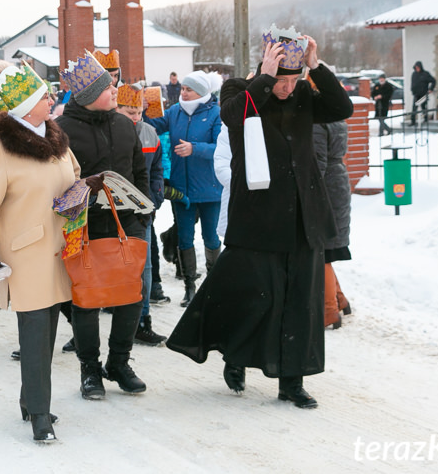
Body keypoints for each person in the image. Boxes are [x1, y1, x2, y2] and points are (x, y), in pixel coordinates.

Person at [166, 25, 353, 408]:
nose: (288, 87)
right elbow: (234, 116)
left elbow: (341, 108)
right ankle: (236, 358)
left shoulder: (303, 93)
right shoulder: (240, 90)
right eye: (283, 80)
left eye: (294, 79)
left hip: (302, 218)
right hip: (257, 220)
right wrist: (266, 80)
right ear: (267, 68)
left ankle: (292, 382)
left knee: (301, 303)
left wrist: (315, 68)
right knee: (252, 298)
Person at [0, 63, 80, 442]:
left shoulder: (55, 135)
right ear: (28, 106)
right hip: (25, 255)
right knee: (33, 336)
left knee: (47, 333)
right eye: (45, 96)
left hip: (61, 249)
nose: (52, 99)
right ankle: (40, 416)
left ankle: (29, 399)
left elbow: (73, 174)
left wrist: (84, 190)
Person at [56, 51, 150, 400]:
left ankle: (119, 363)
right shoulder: (62, 131)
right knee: (87, 299)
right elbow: (56, 184)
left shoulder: (125, 125)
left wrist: (143, 213)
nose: (115, 89)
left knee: (130, 294)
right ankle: (90, 370)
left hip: (128, 223)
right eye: (107, 86)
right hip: (85, 226)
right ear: (88, 94)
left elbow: (140, 171)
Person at [144, 70, 223, 307]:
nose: (183, 93)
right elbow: (152, 126)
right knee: (185, 238)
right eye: (183, 88)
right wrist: (144, 109)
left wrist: (195, 148)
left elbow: (221, 148)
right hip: (182, 190)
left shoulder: (216, 114)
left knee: (210, 237)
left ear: (202, 91)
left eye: (189, 89)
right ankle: (190, 287)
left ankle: (213, 286)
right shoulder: (175, 112)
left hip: (210, 189)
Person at [116, 84, 166, 346]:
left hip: (142, 211)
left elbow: (157, 169)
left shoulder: (150, 134)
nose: (135, 117)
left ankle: (142, 320)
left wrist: (155, 197)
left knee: (143, 267)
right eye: (129, 112)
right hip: (113, 211)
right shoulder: (110, 131)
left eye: (138, 112)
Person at [313, 121, 353, 329]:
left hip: (324, 186)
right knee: (325, 250)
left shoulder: (316, 122)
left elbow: (317, 161)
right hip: (335, 180)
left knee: (320, 252)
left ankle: (329, 311)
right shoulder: (333, 116)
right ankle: (339, 299)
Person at [410, 61, 435, 126]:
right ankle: (413, 121)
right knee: (414, 108)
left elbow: (433, 81)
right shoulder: (414, 74)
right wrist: (413, 90)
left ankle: (425, 119)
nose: (417, 69)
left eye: (418, 67)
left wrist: (431, 89)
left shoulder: (425, 74)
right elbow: (413, 83)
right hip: (416, 94)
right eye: (416, 67)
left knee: (424, 107)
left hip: (423, 94)